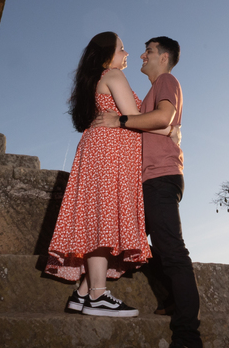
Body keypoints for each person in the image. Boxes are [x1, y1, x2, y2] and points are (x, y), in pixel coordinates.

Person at [44, 32, 176, 317]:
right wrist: (168, 129)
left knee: (101, 216)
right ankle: (97, 295)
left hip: (100, 150)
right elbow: (131, 116)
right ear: (107, 54)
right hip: (109, 153)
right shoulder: (114, 76)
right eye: (122, 48)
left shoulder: (97, 80)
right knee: (105, 219)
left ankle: (81, 294)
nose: (127, 53)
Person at [93, 36, 203, 348]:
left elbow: (163, 119)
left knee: (172, 250)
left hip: (160, 178)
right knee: (139, 242)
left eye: (149, 51)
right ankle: (170, 297)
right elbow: (160, 125)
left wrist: (119, 121)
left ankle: (188, 343)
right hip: (148, 180)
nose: (142, 55)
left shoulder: (167, 80)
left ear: (164, 57)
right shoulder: (151, 93)